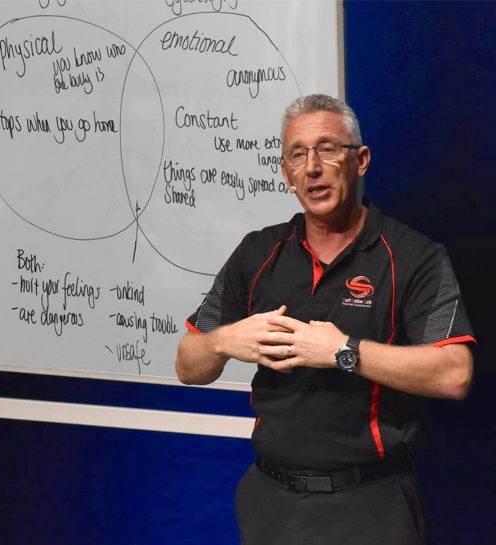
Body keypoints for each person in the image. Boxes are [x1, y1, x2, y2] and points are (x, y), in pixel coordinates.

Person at [175, 94, 476, 545]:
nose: (312, 166)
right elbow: (187, 365)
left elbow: (455, 374)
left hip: (368, 506)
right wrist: (222, 341)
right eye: (298, 154)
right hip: (270, 503)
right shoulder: (258, 252)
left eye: (328, 148)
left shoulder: (414, 256)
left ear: (361, 160)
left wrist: (343, 352)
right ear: (286, 175)